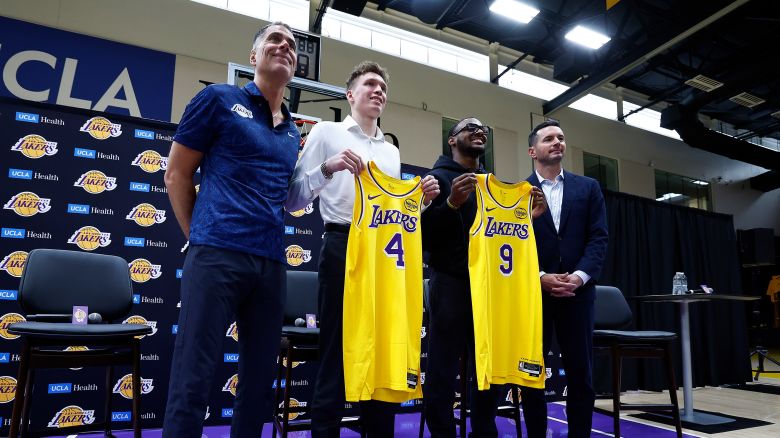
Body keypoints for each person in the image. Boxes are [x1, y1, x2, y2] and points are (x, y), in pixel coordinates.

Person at [286, 61, 439, 437]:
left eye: (383, 87)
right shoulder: (326, 131)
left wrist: (421, 203)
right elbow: (292, 198)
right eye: (370, 84)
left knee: (385, 351)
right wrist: (328, 167)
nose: (378, 91)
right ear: (350, 94)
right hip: (342, 245)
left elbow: (393, 213)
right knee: (336, 350)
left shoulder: (390, 152)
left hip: (386, 256)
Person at [162, 22, 300, 438]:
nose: (284, 47)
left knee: (258, 385)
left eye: (291, 45)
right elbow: (176, 174)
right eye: (274, 40)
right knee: (194, 377)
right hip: (216, 253)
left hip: (271, 264)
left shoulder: (294, 132)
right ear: (253, 57)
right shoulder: (218, 99)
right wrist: (200, 236)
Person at [421, 117, 545, 437]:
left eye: (483, 130)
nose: (479, 132)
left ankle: (484, 431)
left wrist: (529, 219)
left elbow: (506, 240)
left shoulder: (491, 185)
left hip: (489, 288)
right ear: (452, 140)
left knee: (487, 369)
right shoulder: (435, 178)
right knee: (442, 370)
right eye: (470, 128)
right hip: (450, 283)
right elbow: (423, 239)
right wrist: (450, 204)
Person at [520, 120, 608, 438]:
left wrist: (580, 277)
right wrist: (539, 277)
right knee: (532, 375)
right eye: (549, 138)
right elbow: (515, 245)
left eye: (561, 137)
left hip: (578, 294)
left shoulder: (589, 188)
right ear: (533, 150)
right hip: (534, 294)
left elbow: (598, 238)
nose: (557, 142)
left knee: (580, 374)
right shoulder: (518, 194)